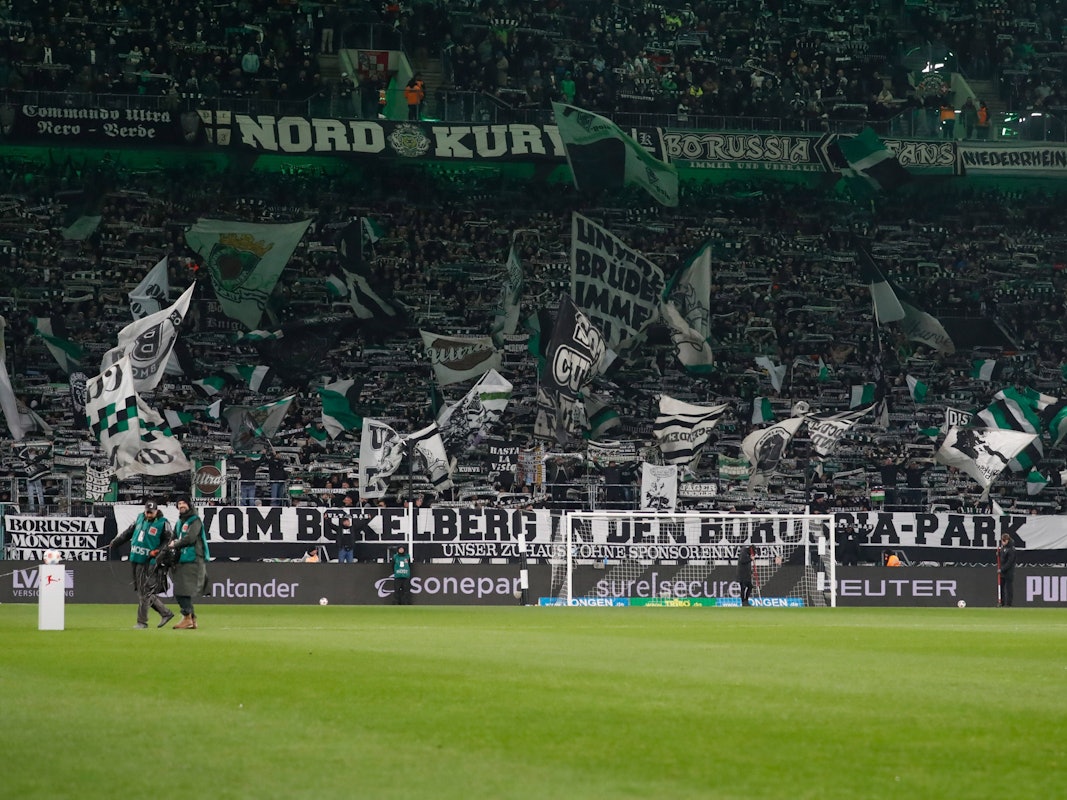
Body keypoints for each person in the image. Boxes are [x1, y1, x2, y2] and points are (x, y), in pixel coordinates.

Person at [108, 500, 175, 629]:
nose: (149, 515)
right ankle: (165, 613)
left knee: (144, 591)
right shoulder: (140, 518)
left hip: (148, 560)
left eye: (151, 513)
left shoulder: (163, 523)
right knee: (143, 590)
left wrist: (159, 552)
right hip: (135, 557)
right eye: (147, 512)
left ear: (156, 511)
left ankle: (142, 622)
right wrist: (115, 542)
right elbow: (128, 533)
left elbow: (168, 539)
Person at [167, 497, 208, 629]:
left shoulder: (195, 520)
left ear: (189, 505)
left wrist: (175, 544)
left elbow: (190, 538)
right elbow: (173, 536)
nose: (181, 505)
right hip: (183, 558)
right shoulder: (180, 522)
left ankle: (187, 617)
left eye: (184, 503)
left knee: (181, 590)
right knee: (182, 589)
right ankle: (191, 619)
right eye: (179, 503)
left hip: (193, 558)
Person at [998, 533, 1016, 607]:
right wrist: (999, 554)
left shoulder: (1011, 549)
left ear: (1008, 540)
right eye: (1002, 540)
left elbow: (1009, 562)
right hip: (1002, 572)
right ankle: (1001, 602)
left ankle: (1008, 604)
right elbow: (1002, 558)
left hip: (1009, 572)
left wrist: (1002, 569)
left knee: (1008, 589)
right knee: (1001, 588)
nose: (1003, 542)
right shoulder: (1003, 548)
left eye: (1004, 541)